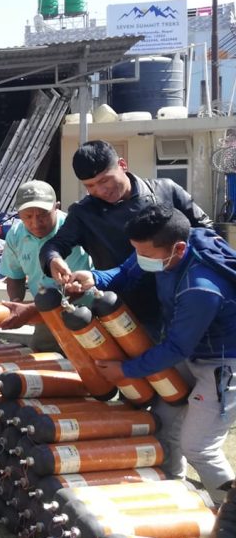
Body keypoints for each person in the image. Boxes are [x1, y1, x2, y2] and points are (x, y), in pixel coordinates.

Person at [65, 205, 236, 501]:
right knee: (162, 422)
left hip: (222, 362)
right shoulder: (165, 244)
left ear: (179, 248)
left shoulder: (200, 289)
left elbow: (174, 348)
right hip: (190, 351)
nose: (140, 257)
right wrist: (95, 278)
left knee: (198, 446)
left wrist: (125, 370)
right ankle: (173, 490)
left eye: (145, 253)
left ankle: (230, 517)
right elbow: (126, 270)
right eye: (137, 250)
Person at [40, 140, 211, 325]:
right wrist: (53, 259)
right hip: (126, 310)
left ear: (122, 165)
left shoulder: (165, 190)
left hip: (184, 301)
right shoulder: (84, 213)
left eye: (105, 180)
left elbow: (207, 232)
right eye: (90, 186)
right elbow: (55, 245)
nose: (101, 190)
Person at [0, 181, 91, 348]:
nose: (36, 223)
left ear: (56, 207)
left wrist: (30, 310)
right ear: (18, 213)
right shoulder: (15, 235)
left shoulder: (72, 231)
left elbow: (77, 290)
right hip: (44, 313)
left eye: (43, 214)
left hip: (83, 312)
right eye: (28, 216)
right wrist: (16, 302)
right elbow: (14, 276)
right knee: (42, 361)